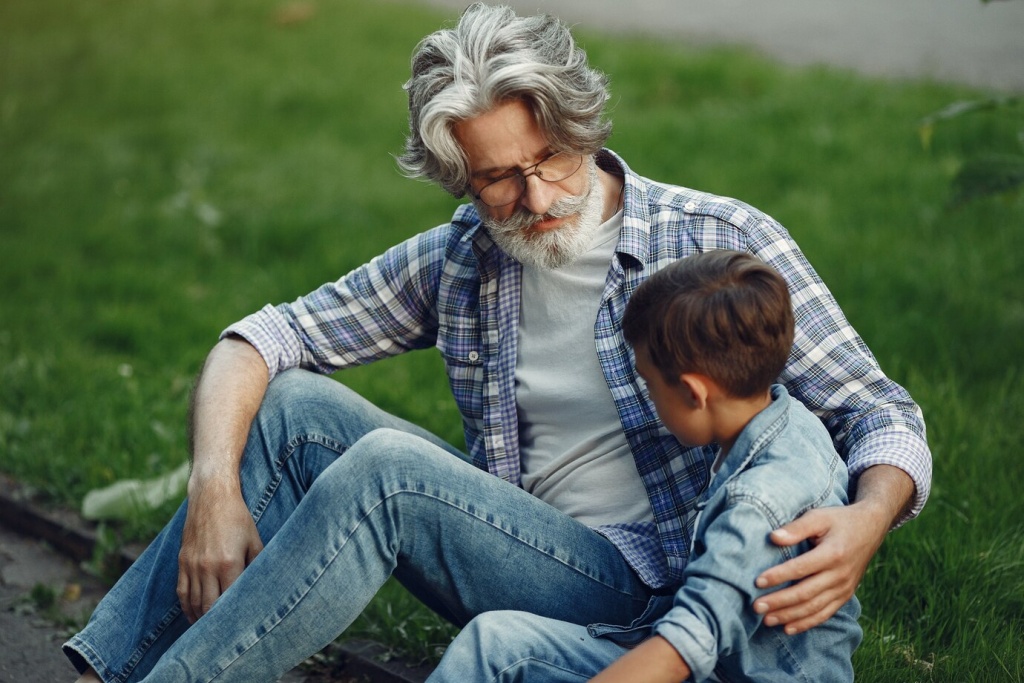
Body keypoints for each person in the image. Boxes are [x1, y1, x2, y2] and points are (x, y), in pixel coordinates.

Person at [63, 4, 930, 682]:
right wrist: (215, 486)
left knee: (387, 475)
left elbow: (880, 412)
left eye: (550, 158)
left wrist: (865, 519)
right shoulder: (466, 257)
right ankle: (111, 668)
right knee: (287, 406)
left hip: (664, 585)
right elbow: (261, 337)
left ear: (582, 126)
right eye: (496, 179)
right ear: (458, 177)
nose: (537, 195)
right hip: (520, 548)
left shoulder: (717, 242)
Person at [427, 250, 864, 682]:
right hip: (723, 664)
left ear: (695, 393)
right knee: (495, 641)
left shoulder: (756, 509)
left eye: (651, 386)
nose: (651, 401)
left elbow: (684, 646)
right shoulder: (790, 420)